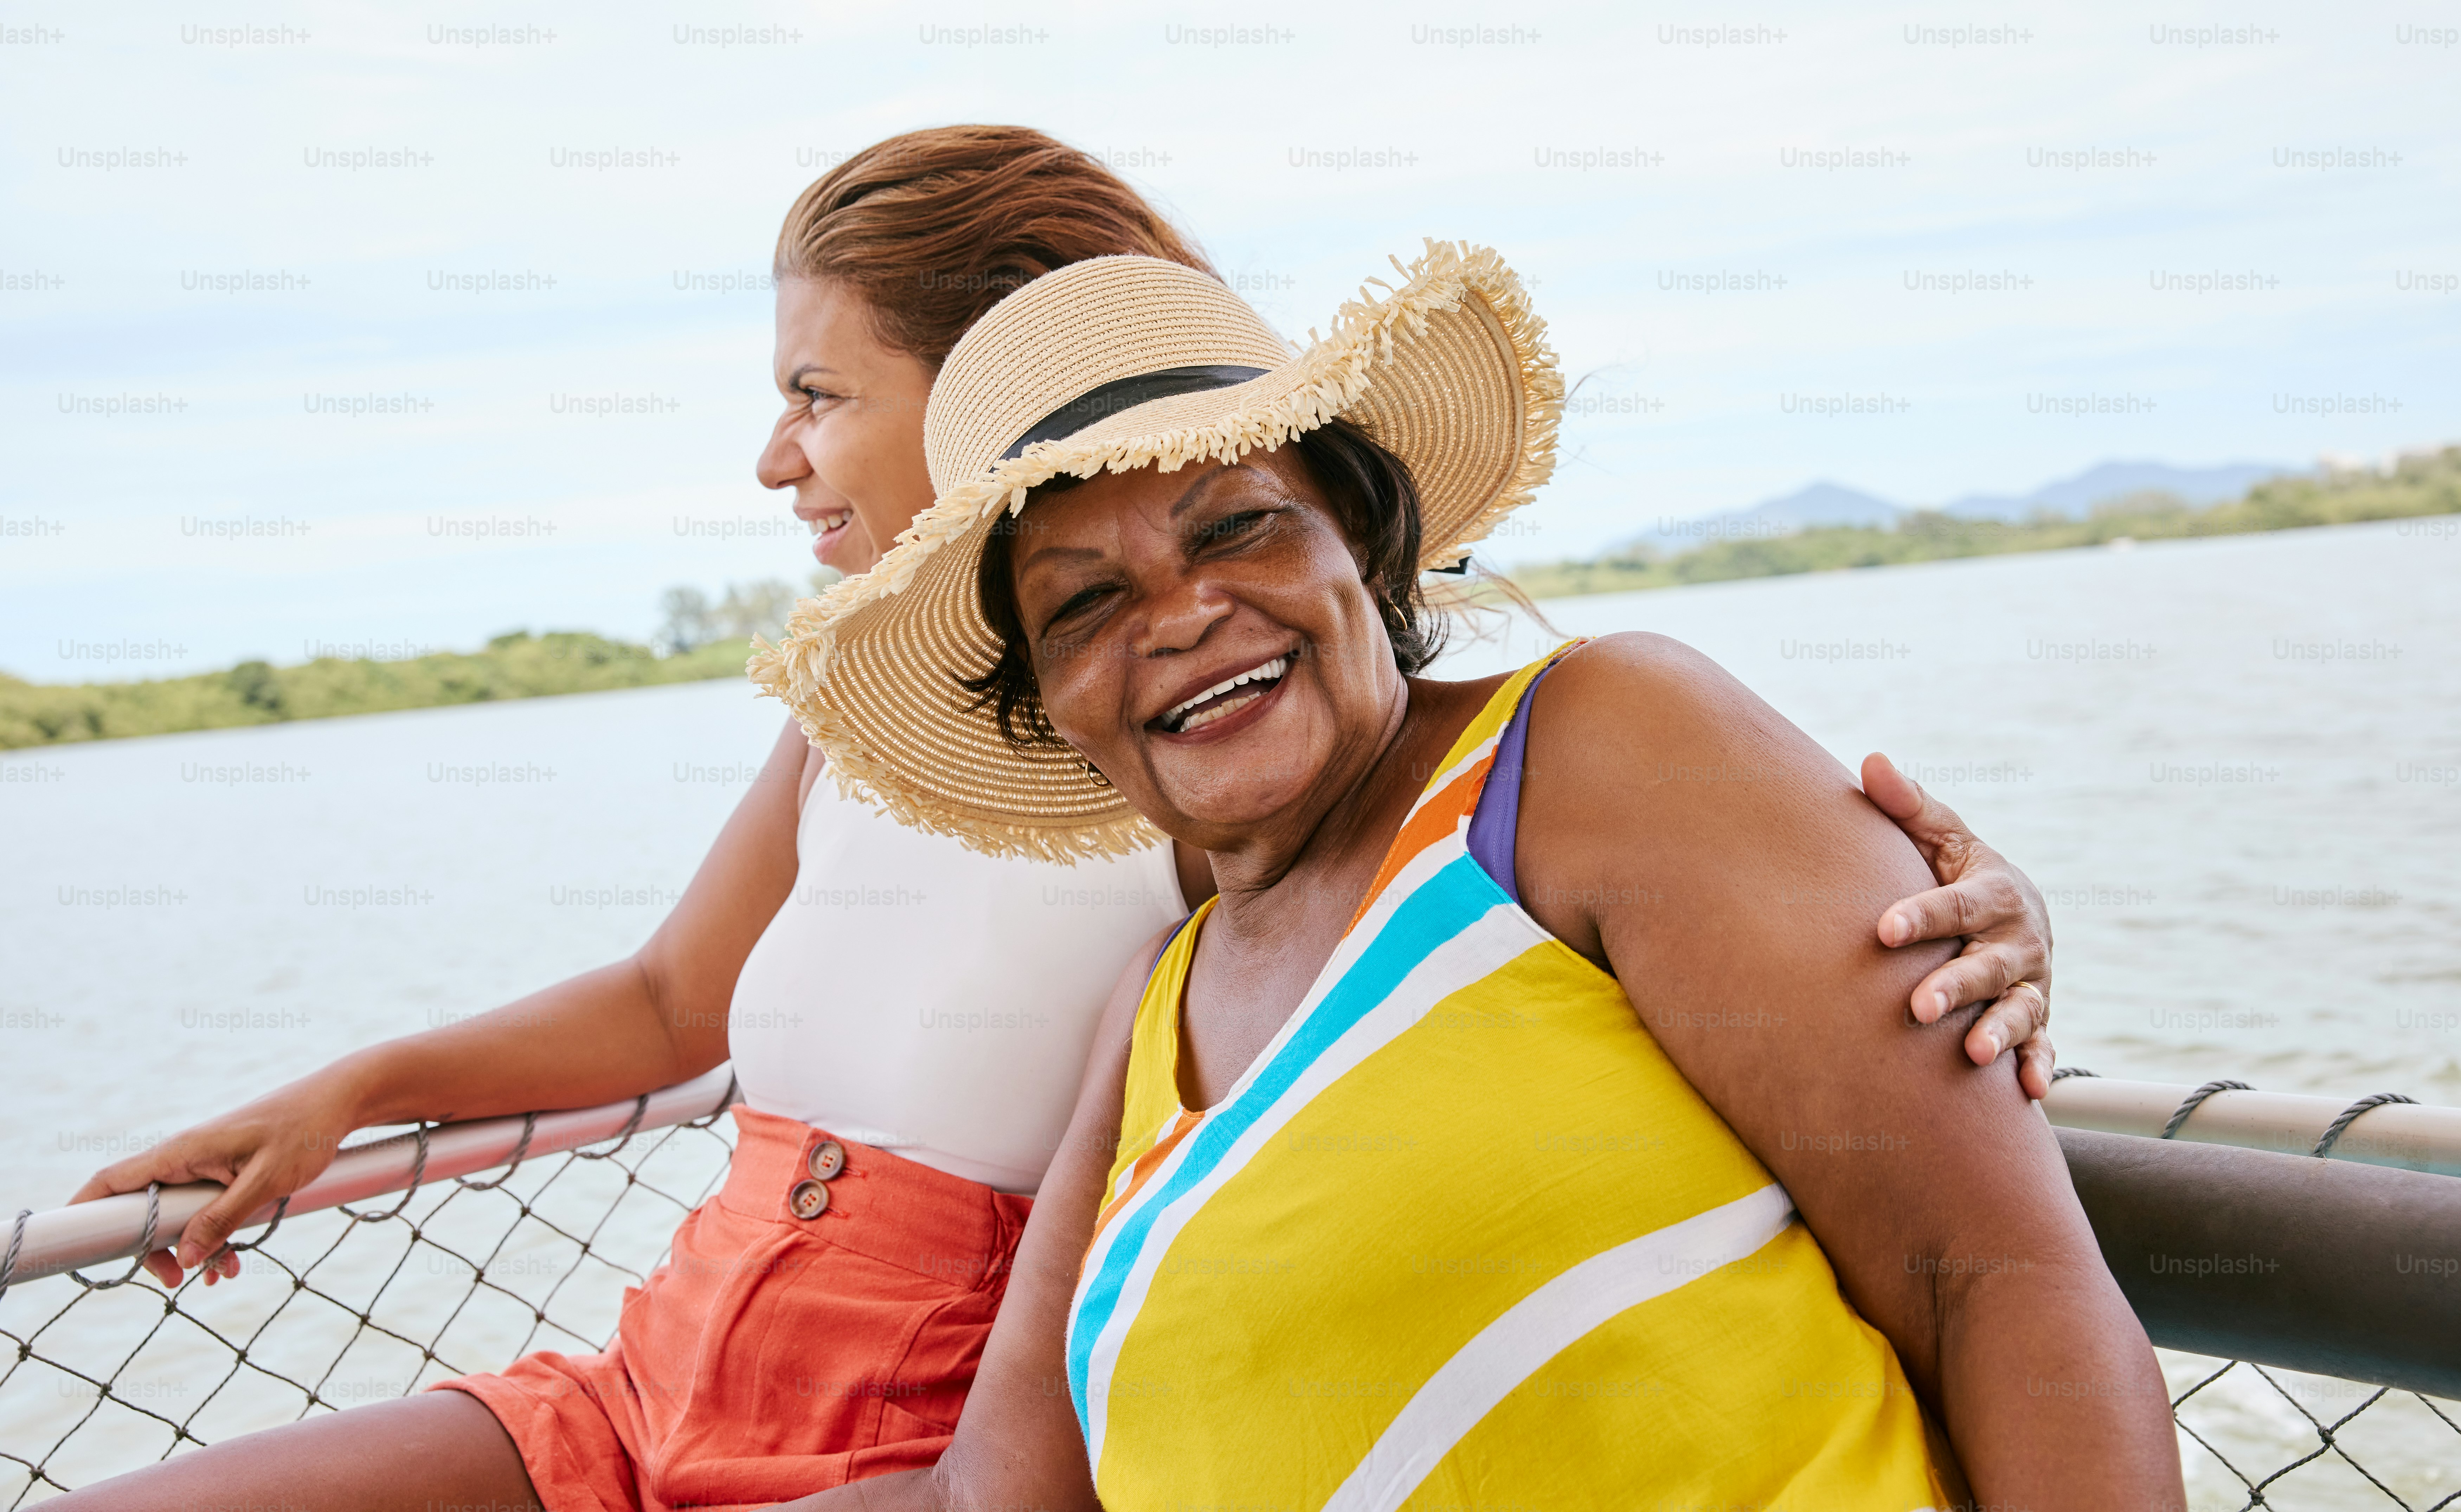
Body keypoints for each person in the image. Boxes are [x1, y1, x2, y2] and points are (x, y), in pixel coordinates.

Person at [57, 135, 2059, 1512]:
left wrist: (1946, 898)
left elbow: (1565, 843)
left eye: (817, 394)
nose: (775, 456)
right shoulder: (1000, 819)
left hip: (902, 1422)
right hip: (657, 1367)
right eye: (1081, 596)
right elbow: (679, 998)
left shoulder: (1317, 765)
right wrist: (353, 1089)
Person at [759, 246, 2180, 1509]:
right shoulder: (1150, 1011)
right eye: (1085, 602)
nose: (1182, 617)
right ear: (1051, 702)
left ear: (1362, 538)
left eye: (1237, 525)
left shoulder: (1590, 754)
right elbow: (993, 1500)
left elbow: (1995, 1283)